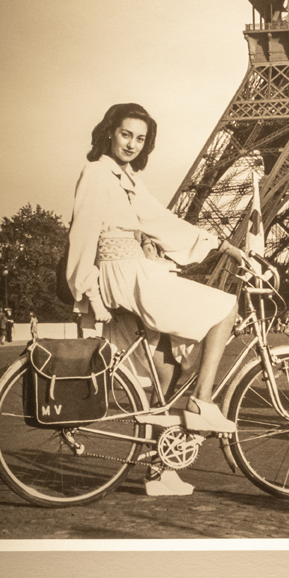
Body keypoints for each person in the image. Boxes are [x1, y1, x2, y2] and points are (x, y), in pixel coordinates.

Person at [64, 103, 246, 496]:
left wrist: (224, 246)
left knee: (163, 372)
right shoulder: (97, 173)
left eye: (140, 138)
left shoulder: (126, 178)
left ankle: (159, 472)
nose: (132, 143)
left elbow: (161, 222)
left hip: (134, 270)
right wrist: (86, 292)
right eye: (126, 134)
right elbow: (81, 234)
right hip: (124, 273)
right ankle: (202, 402)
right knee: (225, 308)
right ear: (110, 131)